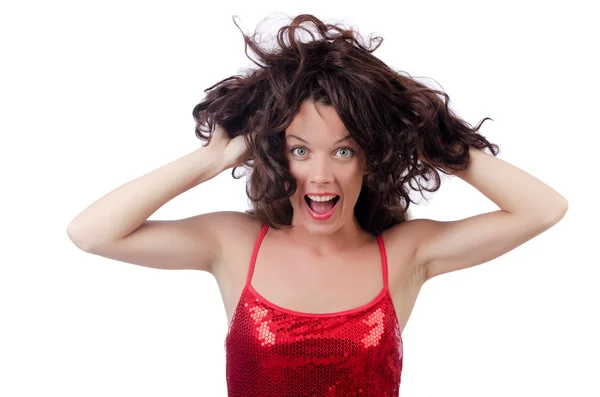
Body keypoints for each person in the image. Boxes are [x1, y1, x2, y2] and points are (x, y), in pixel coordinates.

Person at [66, 14, 568, 396]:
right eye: (300, 150)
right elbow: (92, 233)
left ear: (369, 160)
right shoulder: (234, 244)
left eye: (344, 150)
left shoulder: (407, 253)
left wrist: (433, 139)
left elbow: (542, 209)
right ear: (276, 156)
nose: (321, 175)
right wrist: (208, 162)